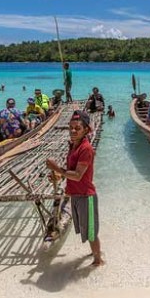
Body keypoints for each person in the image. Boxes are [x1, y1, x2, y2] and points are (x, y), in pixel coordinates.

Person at [46, 111, 104, 266]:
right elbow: (71, 170)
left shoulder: (86, 149)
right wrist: (59, 176)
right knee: (87, 229)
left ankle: (98, 262)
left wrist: (57, 169)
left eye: (77, 128)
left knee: (91, 233)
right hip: (76, 194)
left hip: (86, 195)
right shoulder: (74, 146)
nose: (72, 131)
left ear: (86, 130)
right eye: (70, 128)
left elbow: (78, 175)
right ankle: (95, 254)